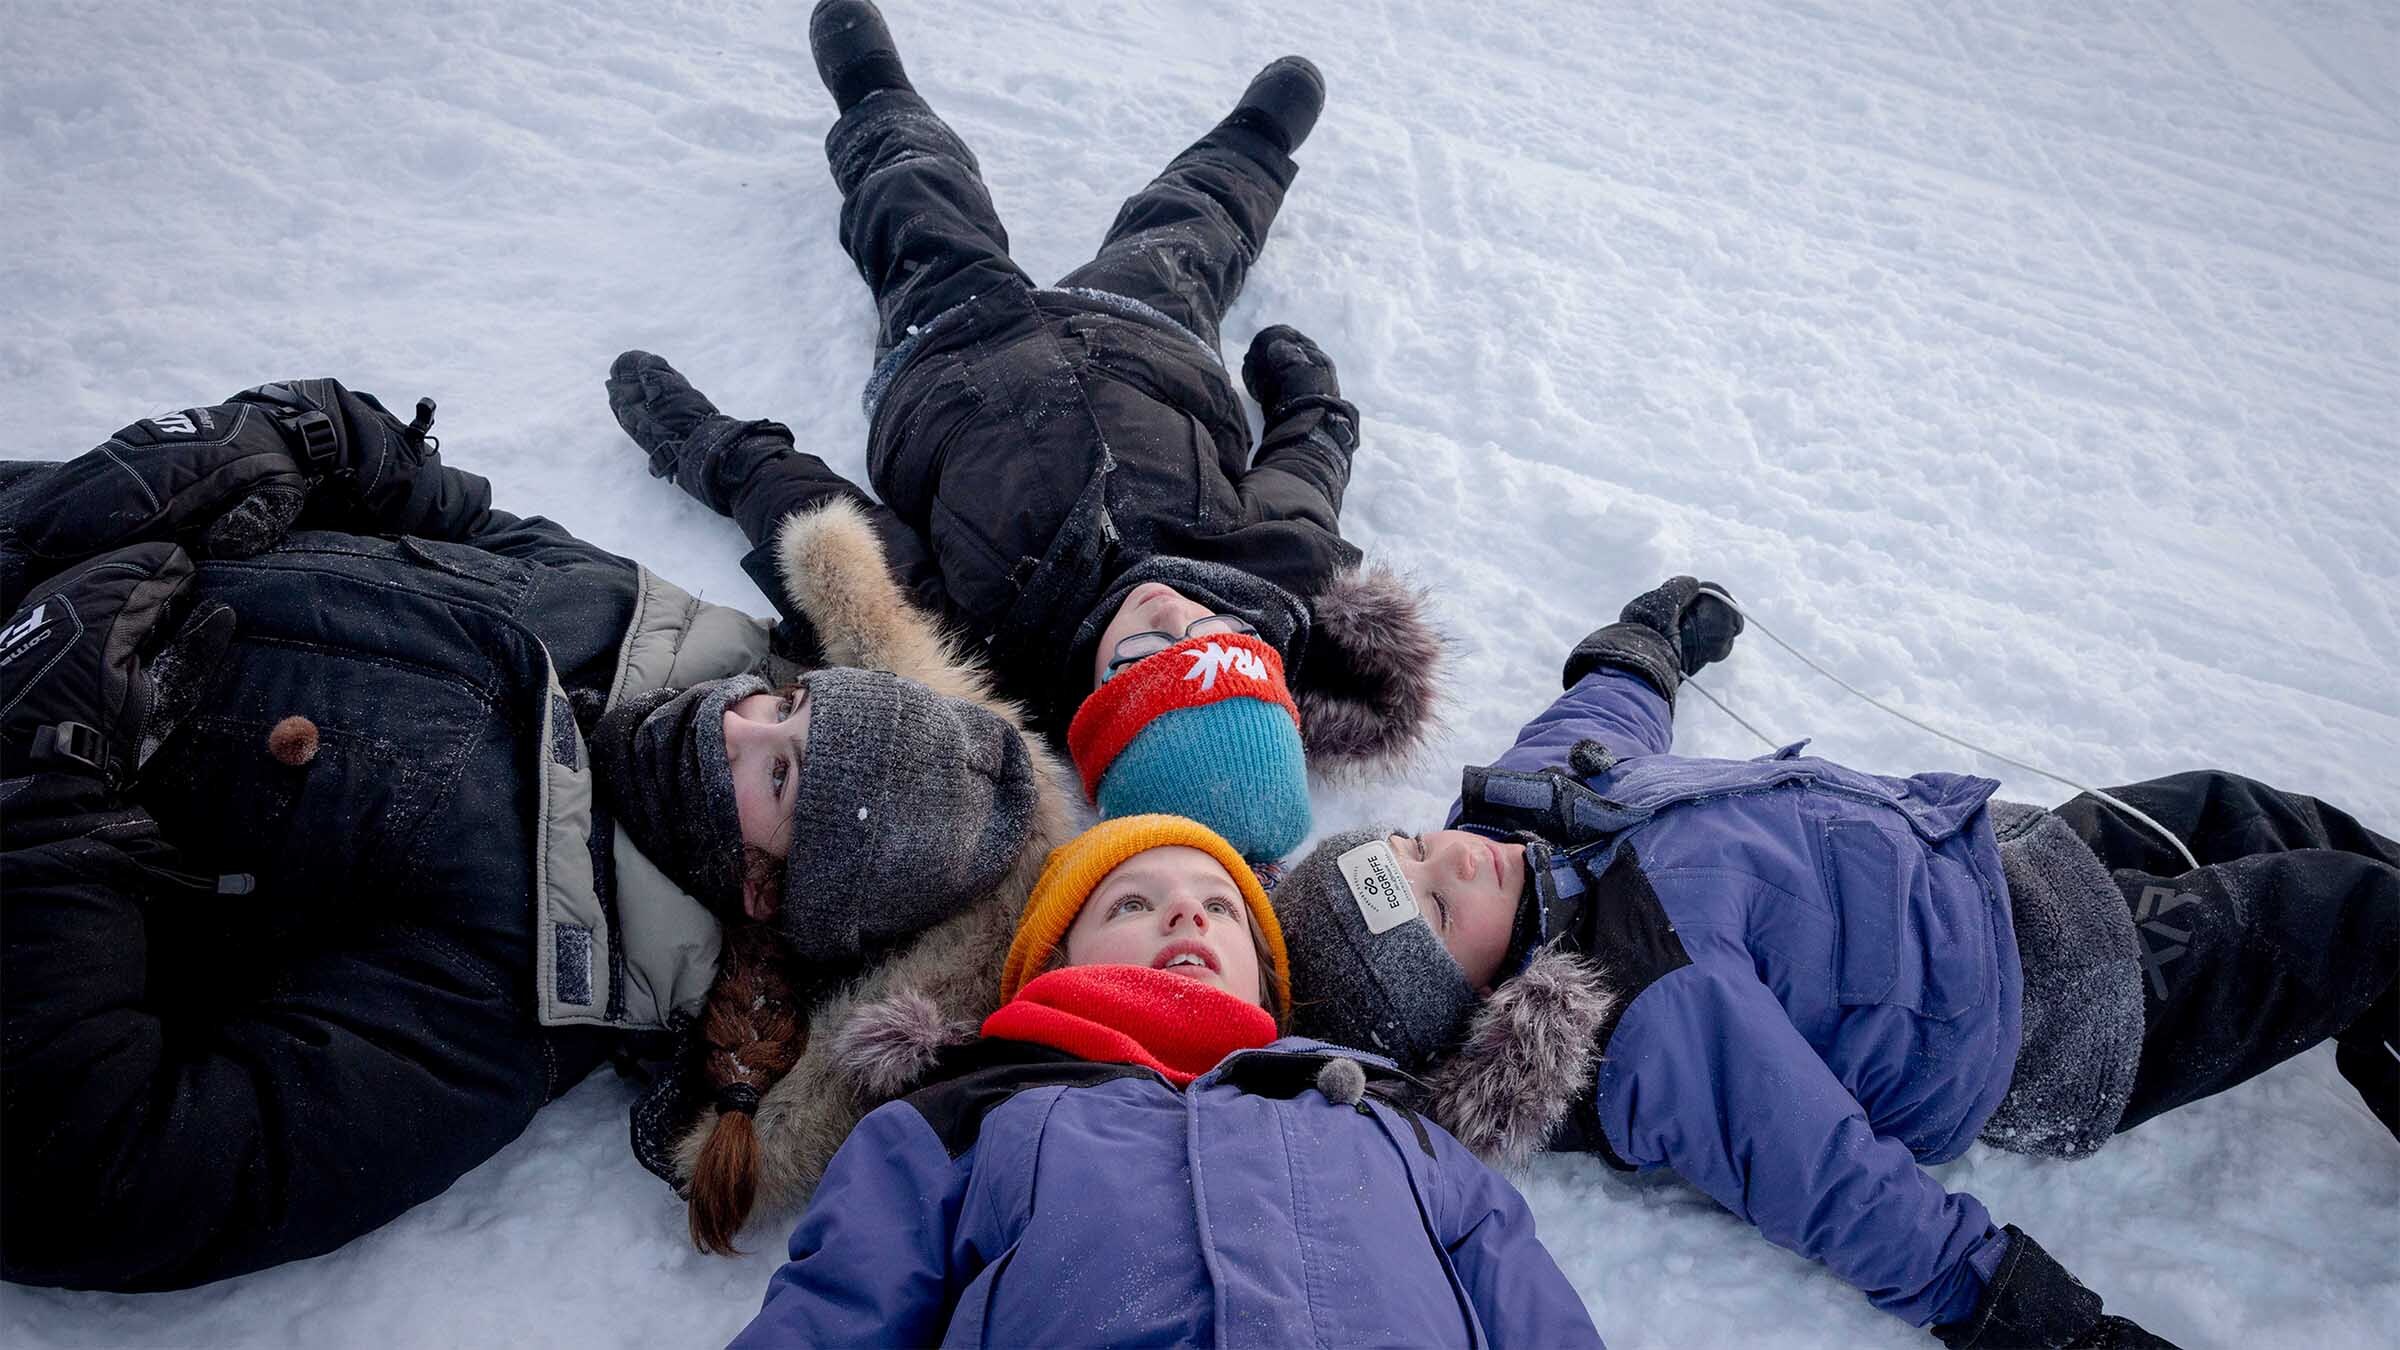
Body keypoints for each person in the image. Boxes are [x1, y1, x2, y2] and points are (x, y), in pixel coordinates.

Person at [0, 377, 1074, 1290]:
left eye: (781, 775)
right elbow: (437, 507)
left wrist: (45, 779)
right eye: (789, 707)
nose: (738, 721)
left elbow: (109, 1178)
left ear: (765, 890)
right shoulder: (636, 627)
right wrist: (287, 440)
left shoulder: (509, 997)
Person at [1268, 576, 2397, 1350]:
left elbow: (1600, 718)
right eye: (1435, 910)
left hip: (1999, 860)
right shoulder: (1647, 1018)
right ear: (1468, 1000)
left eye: (1409, 847)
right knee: (2349, 918)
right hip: (2051, 1006)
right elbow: (1829, 1178)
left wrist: (1646, 643)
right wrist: (2027, 1317)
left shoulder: (1520, 817)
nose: (1453, 860)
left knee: (2239, 810)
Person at [604, 0, 1444, 861]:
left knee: (912, 204)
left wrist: (710, 448)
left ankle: (873, 91)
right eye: (1210, 639)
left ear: (1095, 709)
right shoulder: (1273, 572)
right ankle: (1257, 138)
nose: (1168, 612)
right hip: (1147, 337)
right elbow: (1306, 469)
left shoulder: (986, 645)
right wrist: (1314, 399)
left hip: (949, 360)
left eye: (1140, 657)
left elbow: (836, 532)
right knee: (1188, 228)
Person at [725, 814, 1605, 1348]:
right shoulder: (958, 1118)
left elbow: (1524, 1302)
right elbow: (837, 1312)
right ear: (1053, 960)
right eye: (1132, 904)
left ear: (1267, 978)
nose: (1187, 911)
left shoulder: (1388, 1121)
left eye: (1221, 906)